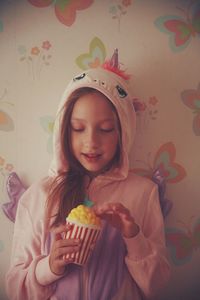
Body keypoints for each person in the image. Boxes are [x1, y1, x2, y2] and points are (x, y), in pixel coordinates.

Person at [6, 50, 170, 300]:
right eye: (78, 128)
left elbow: (157, 286)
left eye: (105, 129)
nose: (91, 142)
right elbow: (15, 288)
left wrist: (133, 236)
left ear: (123, 132)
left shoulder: (143, 193)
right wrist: (48, 267)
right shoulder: (39, 196)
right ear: (63, 131)